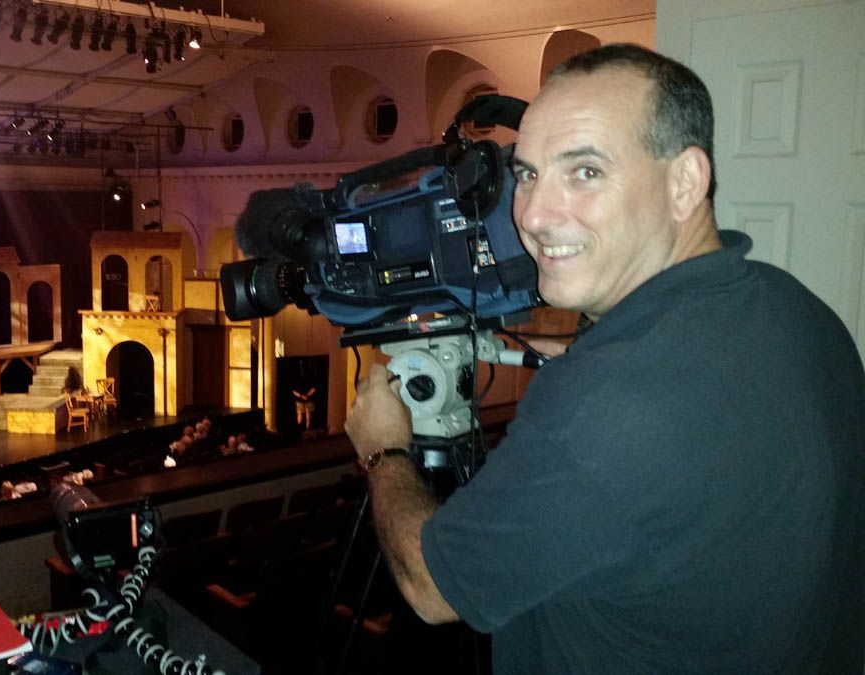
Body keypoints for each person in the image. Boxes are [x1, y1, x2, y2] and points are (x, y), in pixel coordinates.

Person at [345, 43, 864, 673]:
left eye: (585, 171)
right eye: (528, 173)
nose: (532, 214)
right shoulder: (795, 309)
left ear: (686, 182)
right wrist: (594, 349)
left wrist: (385, 450)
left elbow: (433, 589)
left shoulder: (604, 406)